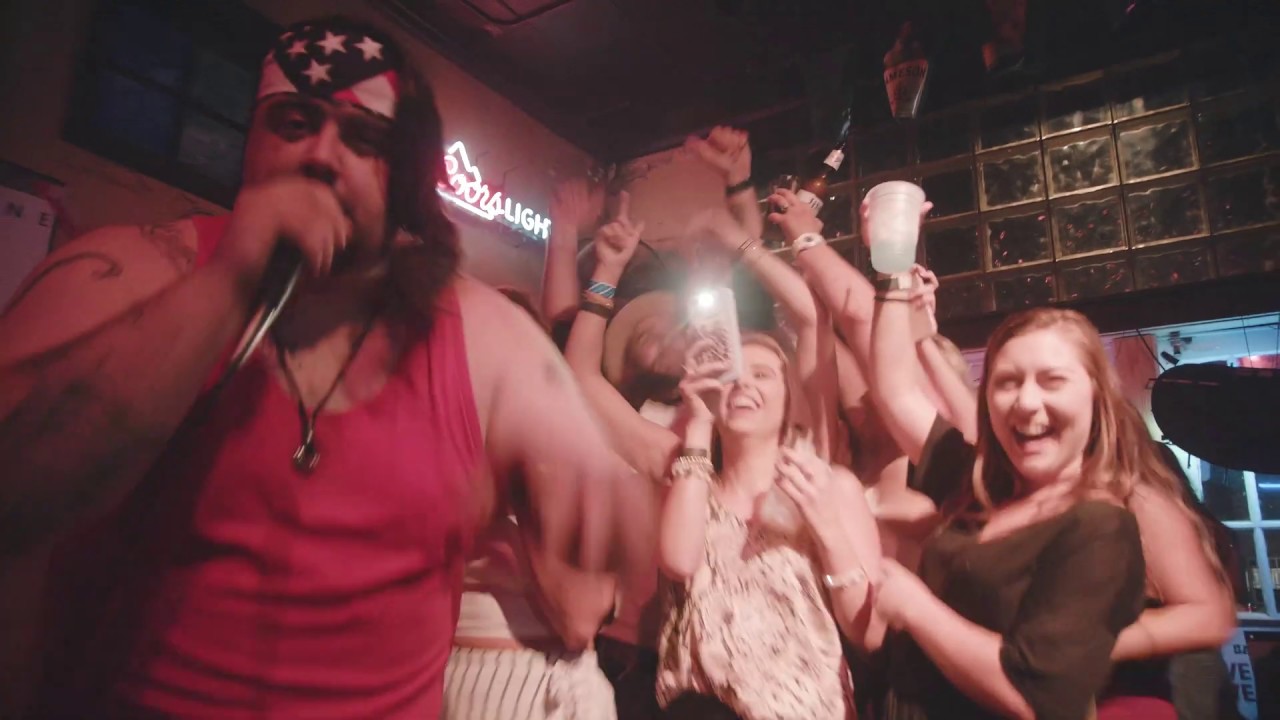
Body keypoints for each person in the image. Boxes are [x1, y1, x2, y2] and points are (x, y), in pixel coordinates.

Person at [0, 17, 651, 719]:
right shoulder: (133, 269)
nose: (320, 155)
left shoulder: (486, 336)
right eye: (293, 122)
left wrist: (600, 515)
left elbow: (594, 585)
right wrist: (230, 279)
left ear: (401, 177)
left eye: (363, 139)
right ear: (250, 139)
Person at [656, 331, 869, 720]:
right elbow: (679, 561)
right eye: (729, 375)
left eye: (761, 374)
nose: (742, 384)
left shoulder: (830, 486)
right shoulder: (691, 489)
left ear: (789, 398)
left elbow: (865, 629)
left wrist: (828, 528)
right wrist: (699, 422)